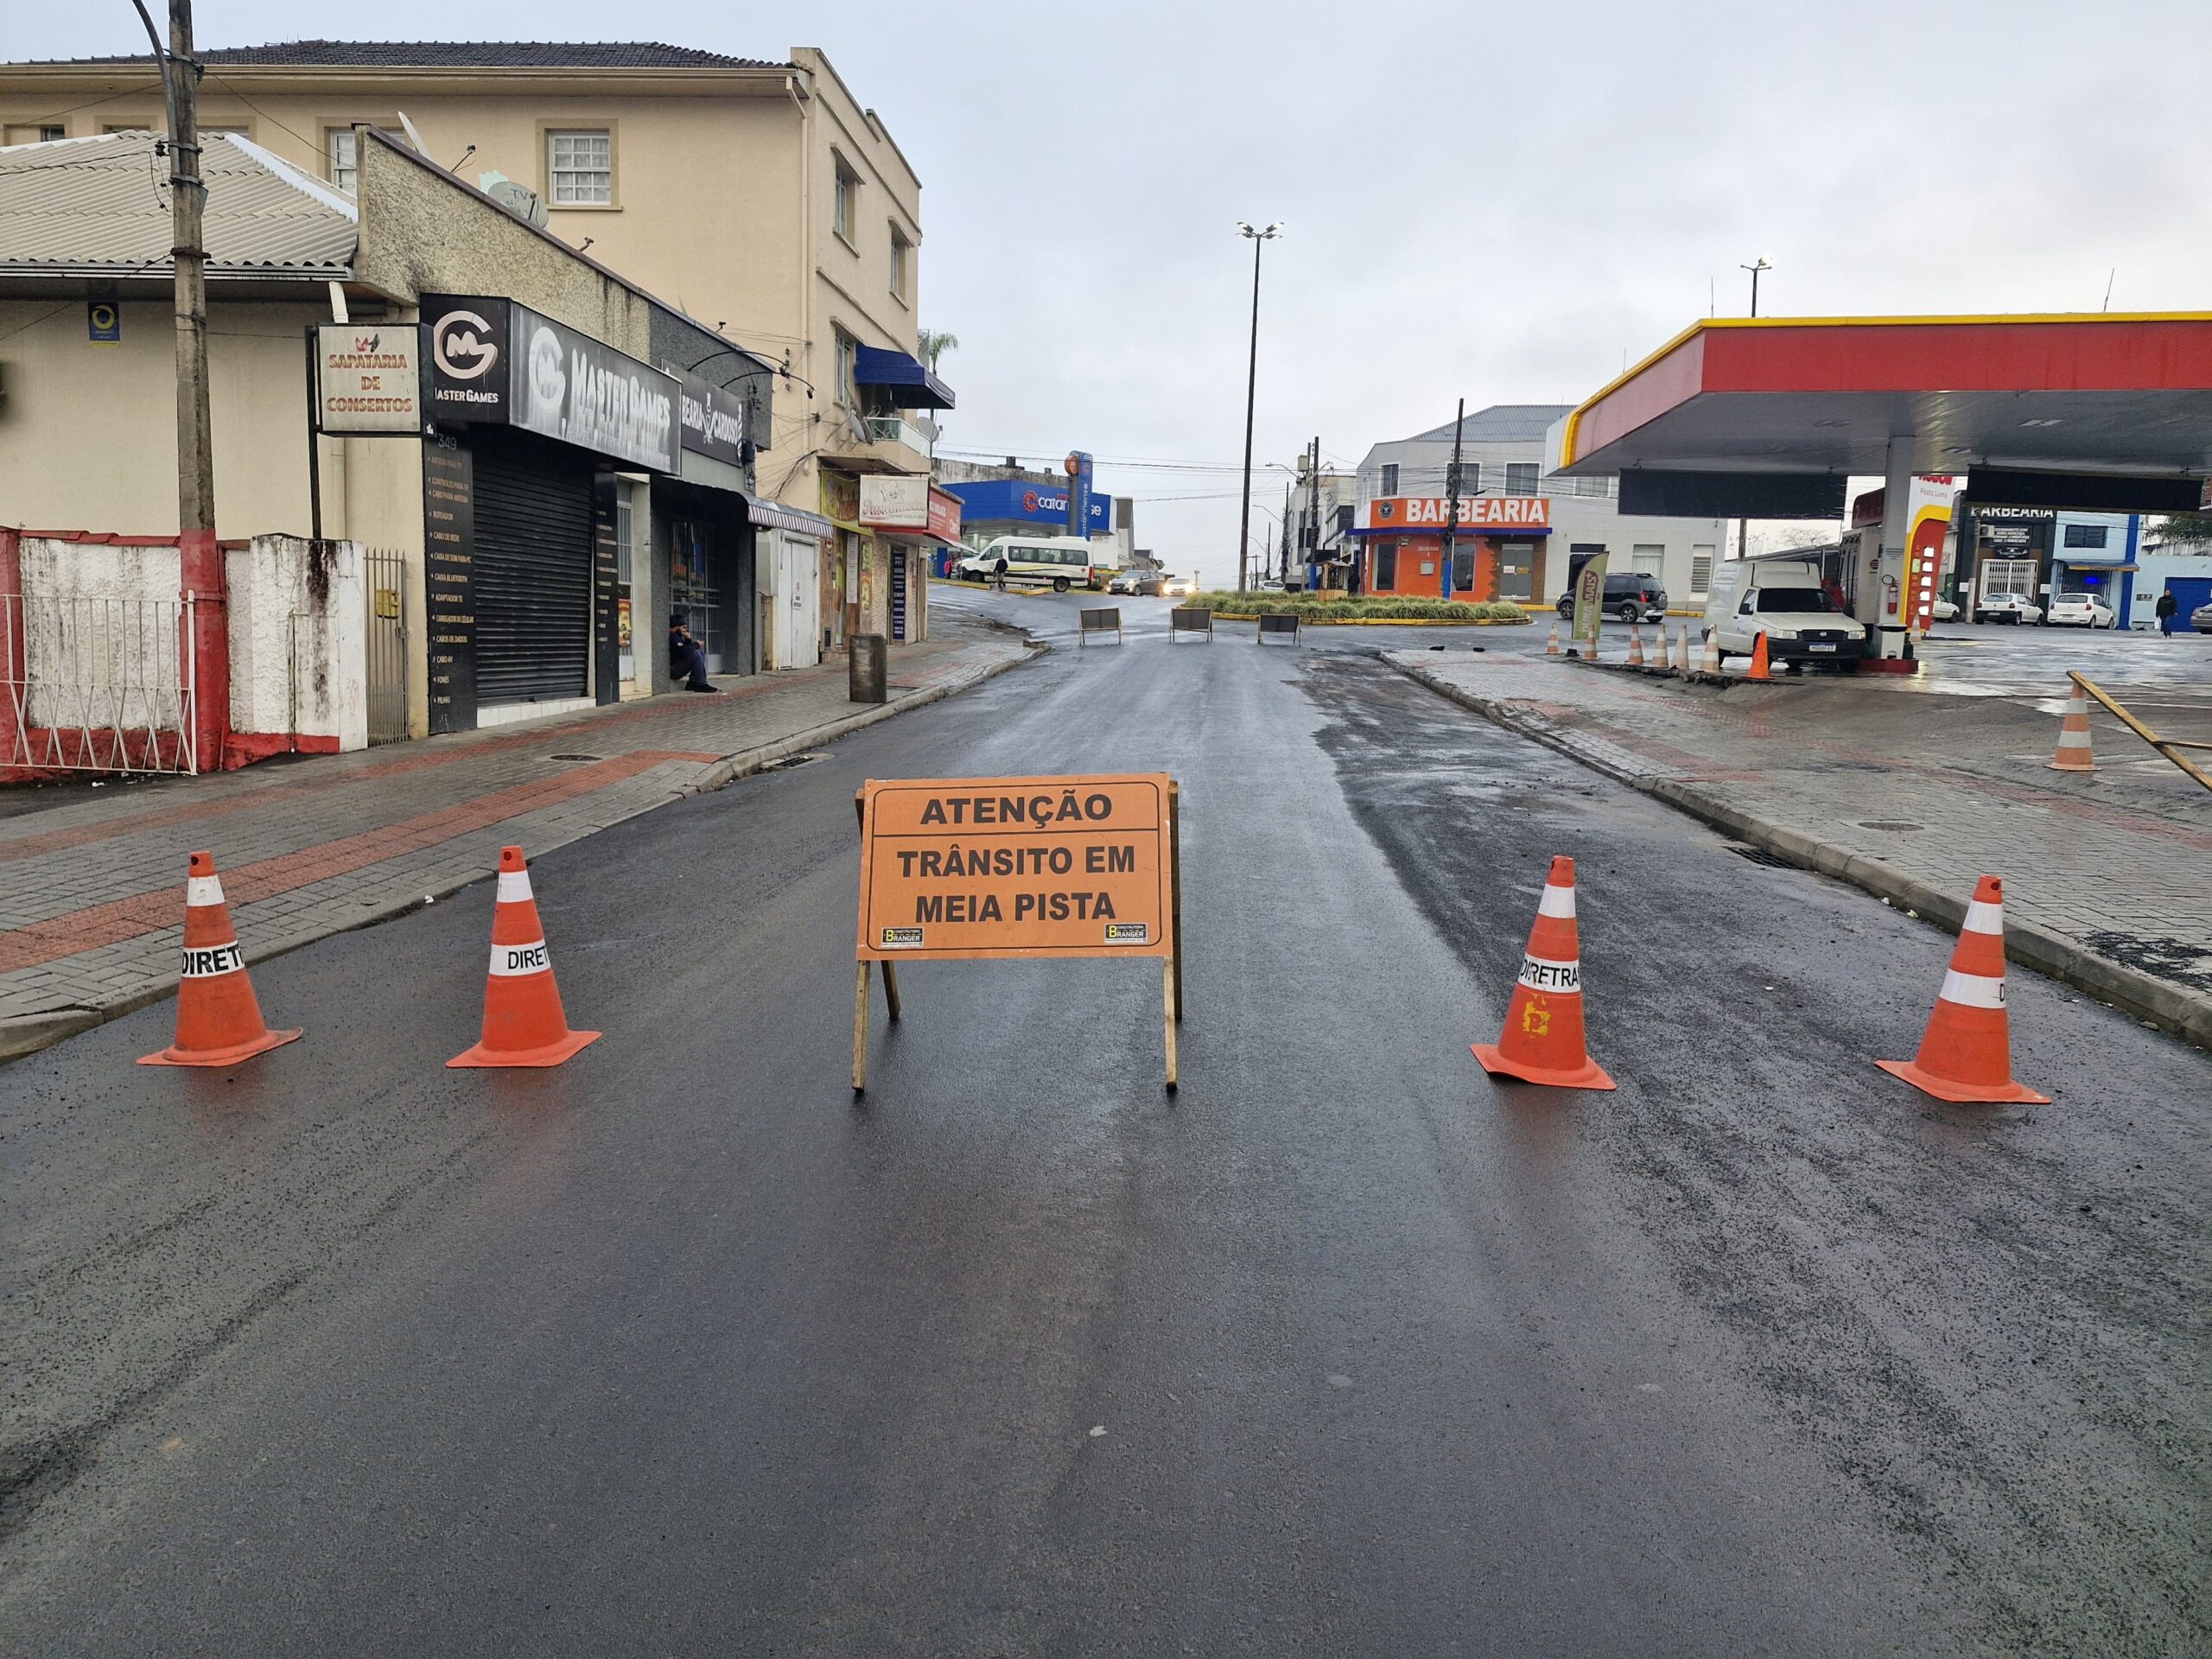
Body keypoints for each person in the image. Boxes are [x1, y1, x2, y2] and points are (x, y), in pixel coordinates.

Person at [669, 614, 721, 692]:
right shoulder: (673, 636)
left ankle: (693, 682)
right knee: (696, 654)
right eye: (683, 627)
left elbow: (687, 651)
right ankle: (701, 684)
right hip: (673, 670)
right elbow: (682, 652)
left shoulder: (678, 636)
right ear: (676, 627)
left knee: (700, 653)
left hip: (678, 666)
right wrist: (696, 644)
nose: (685, 630)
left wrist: (688, 640)